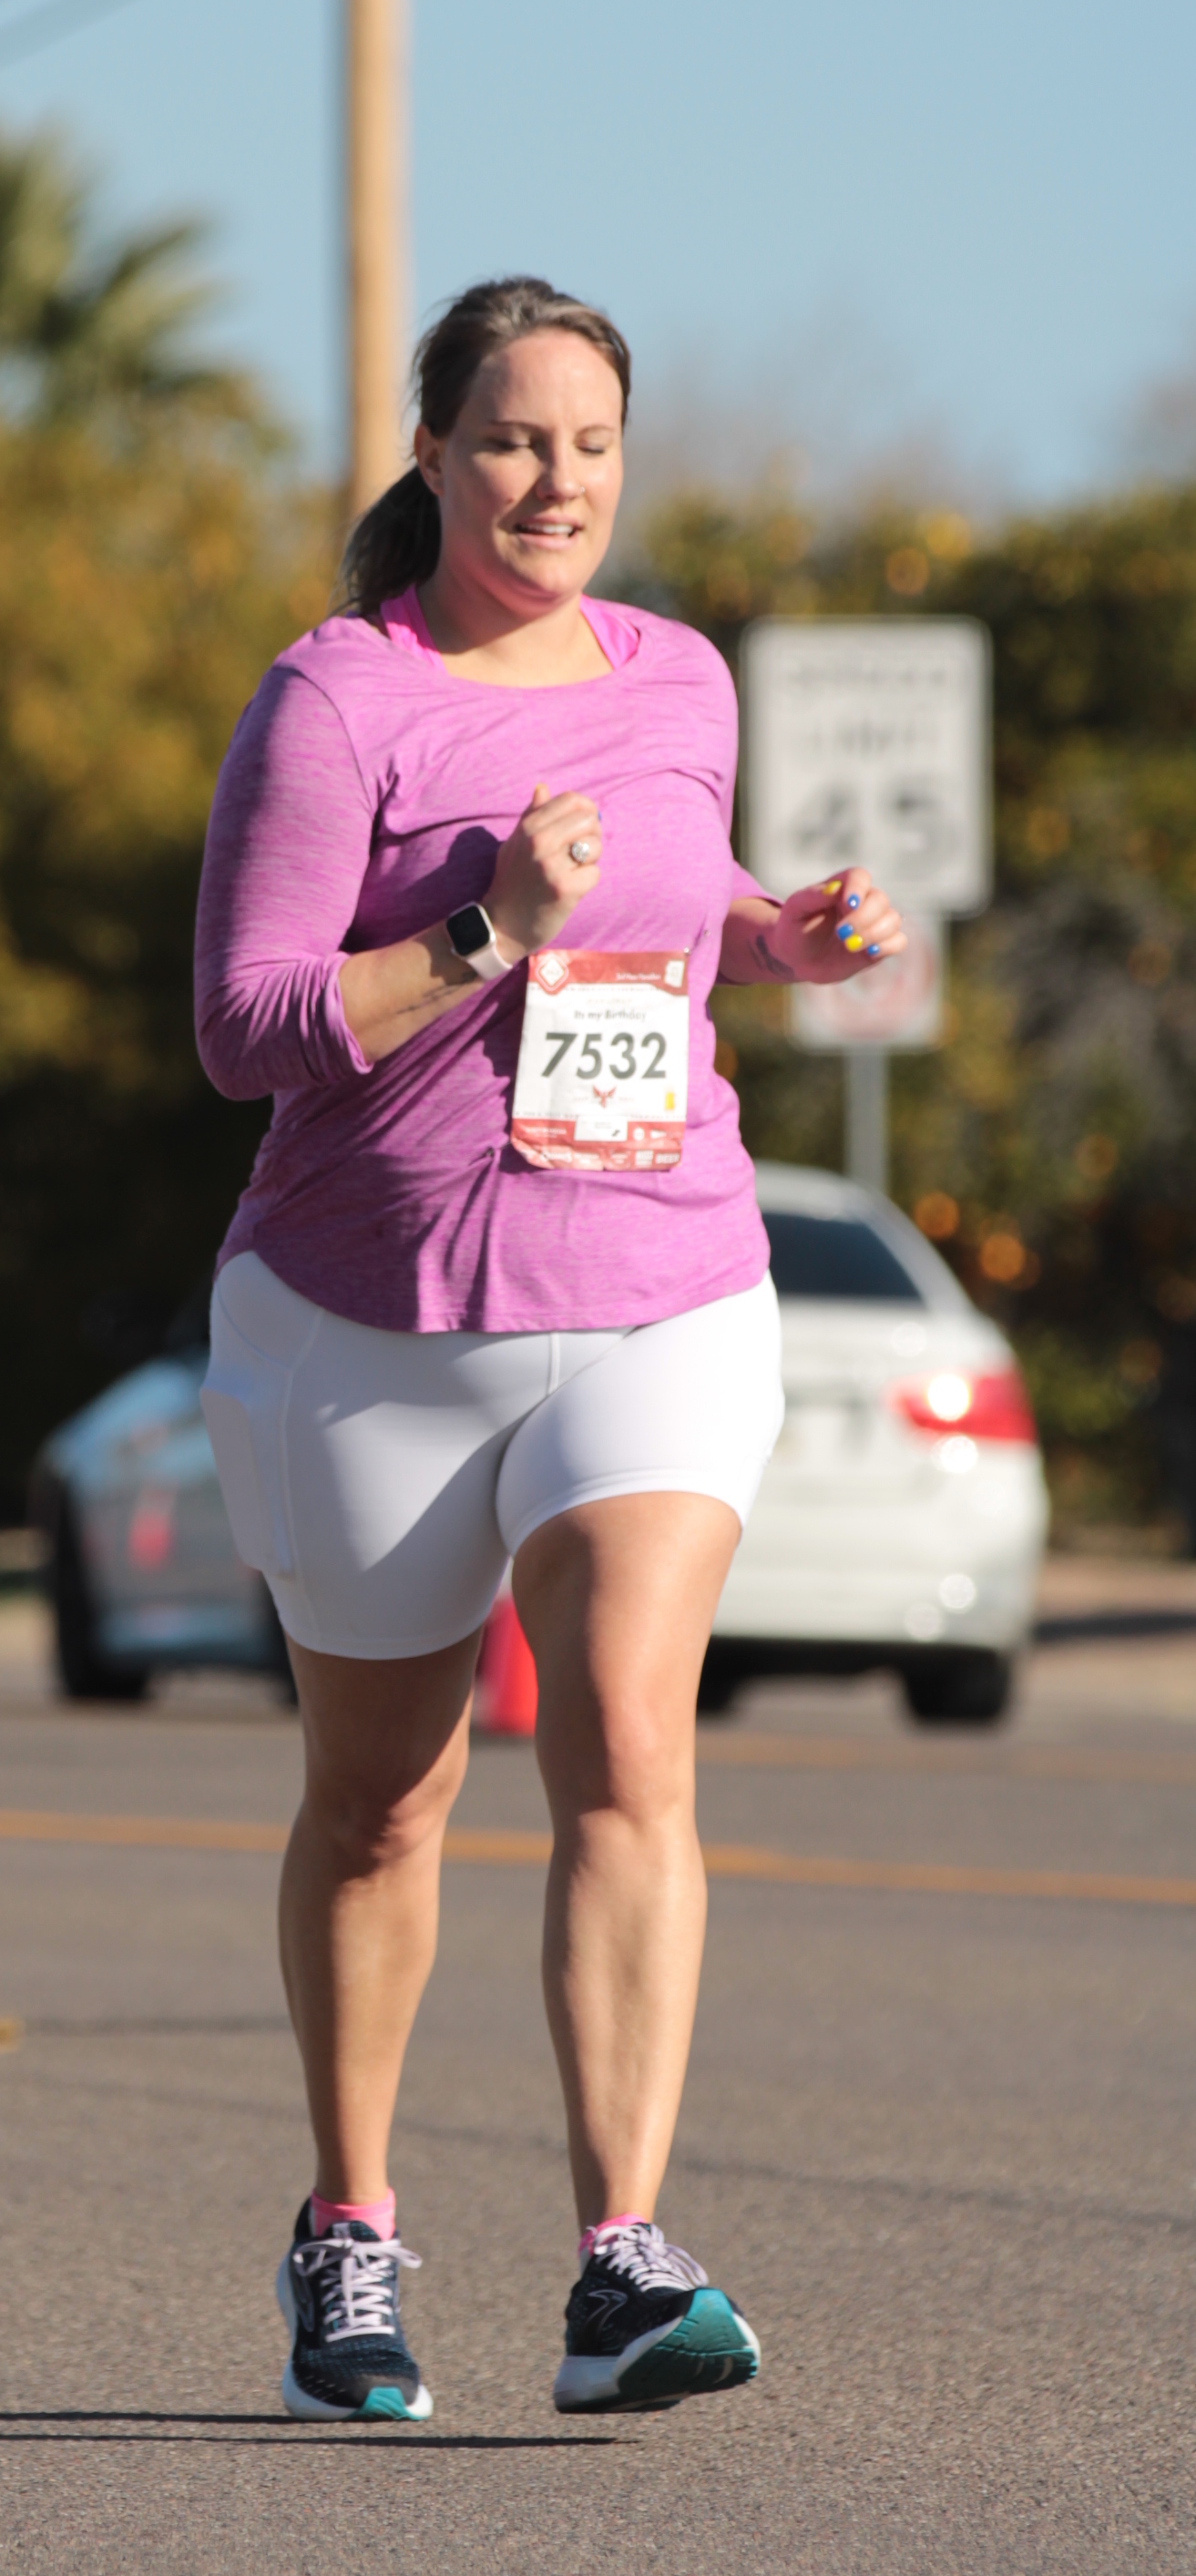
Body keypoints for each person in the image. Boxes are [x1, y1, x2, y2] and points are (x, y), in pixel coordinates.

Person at [192, 276, 905, 2425]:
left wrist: (784, 938)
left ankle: (619, 2263)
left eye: (589, 444)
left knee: (627, 1748)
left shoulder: (677, 677)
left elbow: (688, 919)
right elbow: (242, 1027)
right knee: (379, 1805)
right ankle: (346, 2233)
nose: (552, 481)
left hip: (654, 1278)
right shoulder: (338, 699)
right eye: (510, 439)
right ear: (430, 453)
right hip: (369, 1315)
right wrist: (480, 926)